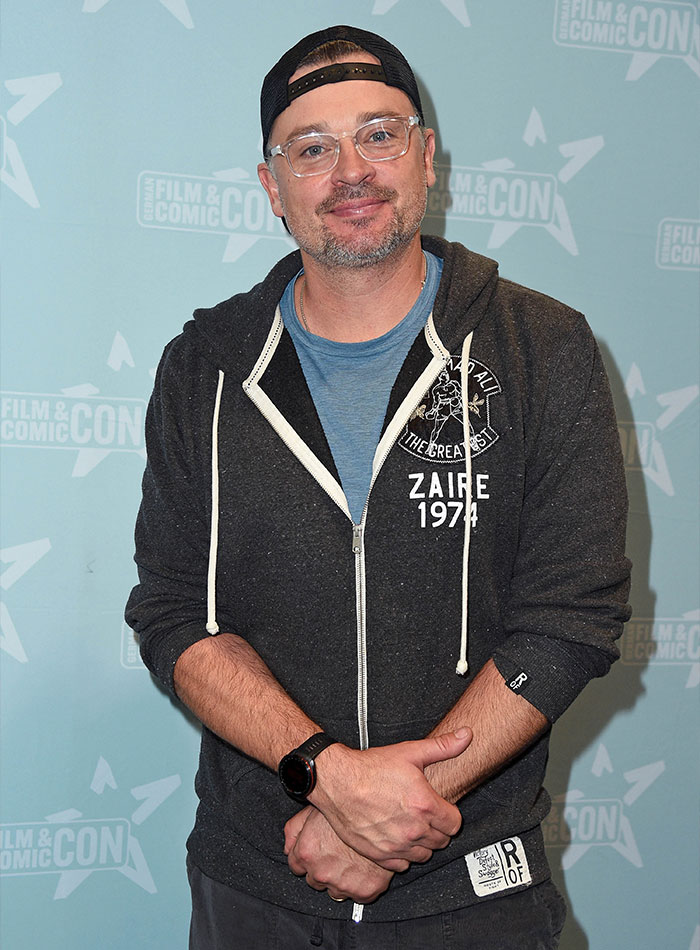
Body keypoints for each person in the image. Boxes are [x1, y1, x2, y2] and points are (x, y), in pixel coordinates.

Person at [126, 24, 631, 949]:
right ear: (273, 188)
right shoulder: (203, 368)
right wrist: (325, 774)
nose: (350, 170)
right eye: (312, 149)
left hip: (474, 889)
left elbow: (572, 614)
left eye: (379, 134)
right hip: (258, 882)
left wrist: (391, 814)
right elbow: (174, 616)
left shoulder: (542, 348)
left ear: (427, 156)